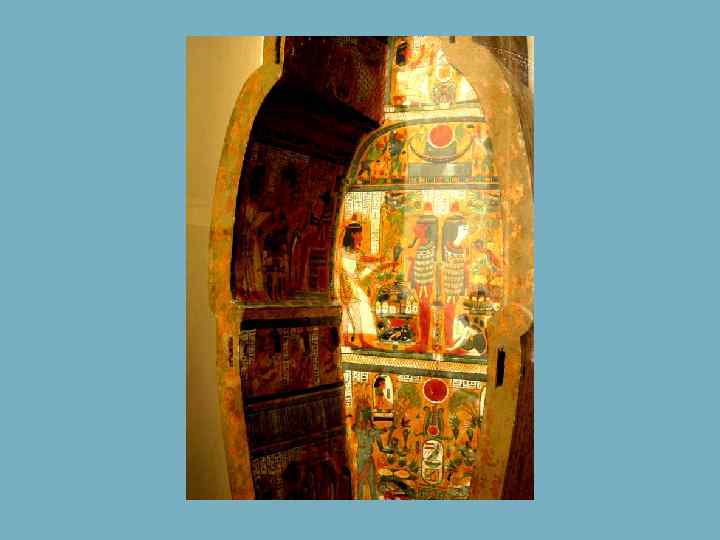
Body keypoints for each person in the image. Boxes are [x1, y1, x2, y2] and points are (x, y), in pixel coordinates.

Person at [340, 221, 390, 348]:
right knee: (347, 311)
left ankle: (361, 340)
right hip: (343, 283)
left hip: (352, 283)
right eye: (359, 233)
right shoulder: (342, 251)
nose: (362, 236)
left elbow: (365, 261)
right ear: (353, 234)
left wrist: (379, 261)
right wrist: (378, 260)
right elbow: (362, 261)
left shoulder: (357, 251)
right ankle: (346, 340)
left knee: (358, 310)